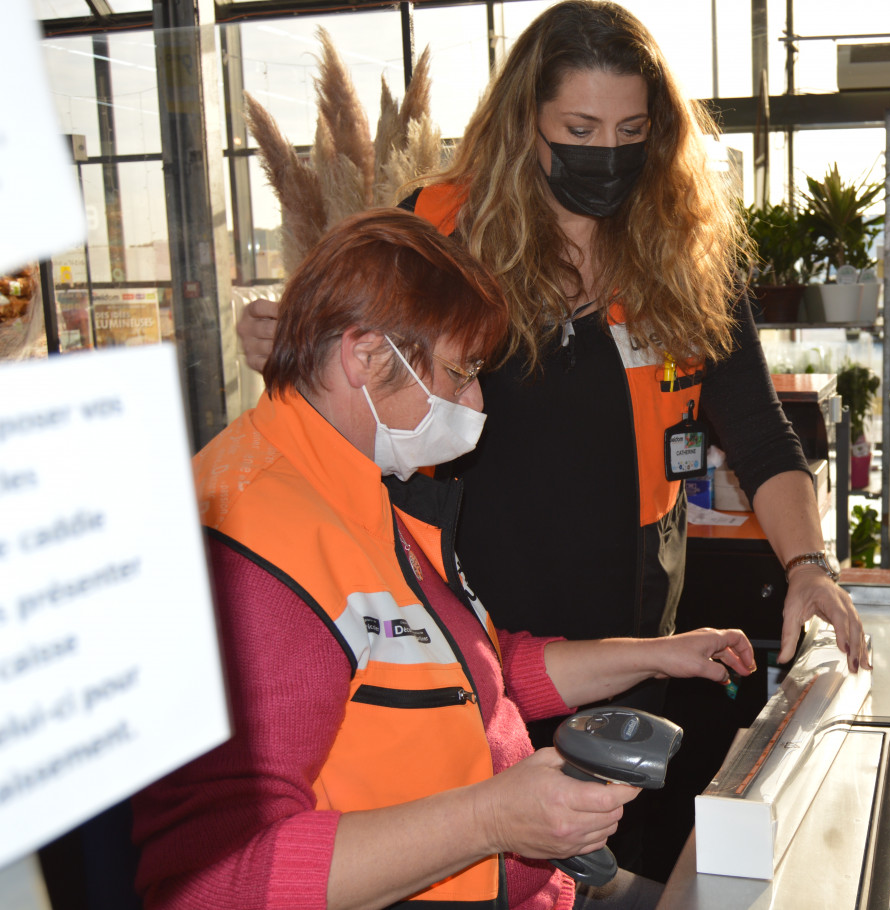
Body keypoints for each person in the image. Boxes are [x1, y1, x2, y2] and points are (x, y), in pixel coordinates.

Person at [236, 0, 870, 875]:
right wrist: (285, 335)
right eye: (578, 127)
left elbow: (760, 433)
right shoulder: (441, 225)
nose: (605, 153)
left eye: (630, 131)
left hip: (631, 639)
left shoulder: (686, 250)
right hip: (473, 636)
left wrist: (809, 566)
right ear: (522, 122)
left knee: (626, 856)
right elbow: (345, 359)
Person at [133, 209, 756, 910]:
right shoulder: (249, 550)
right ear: (364, 357)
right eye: (459, 373)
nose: (475, 400)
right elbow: (215, 885)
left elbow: (479, 673)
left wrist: (657, 653)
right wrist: (494, 817)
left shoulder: (355, 482)